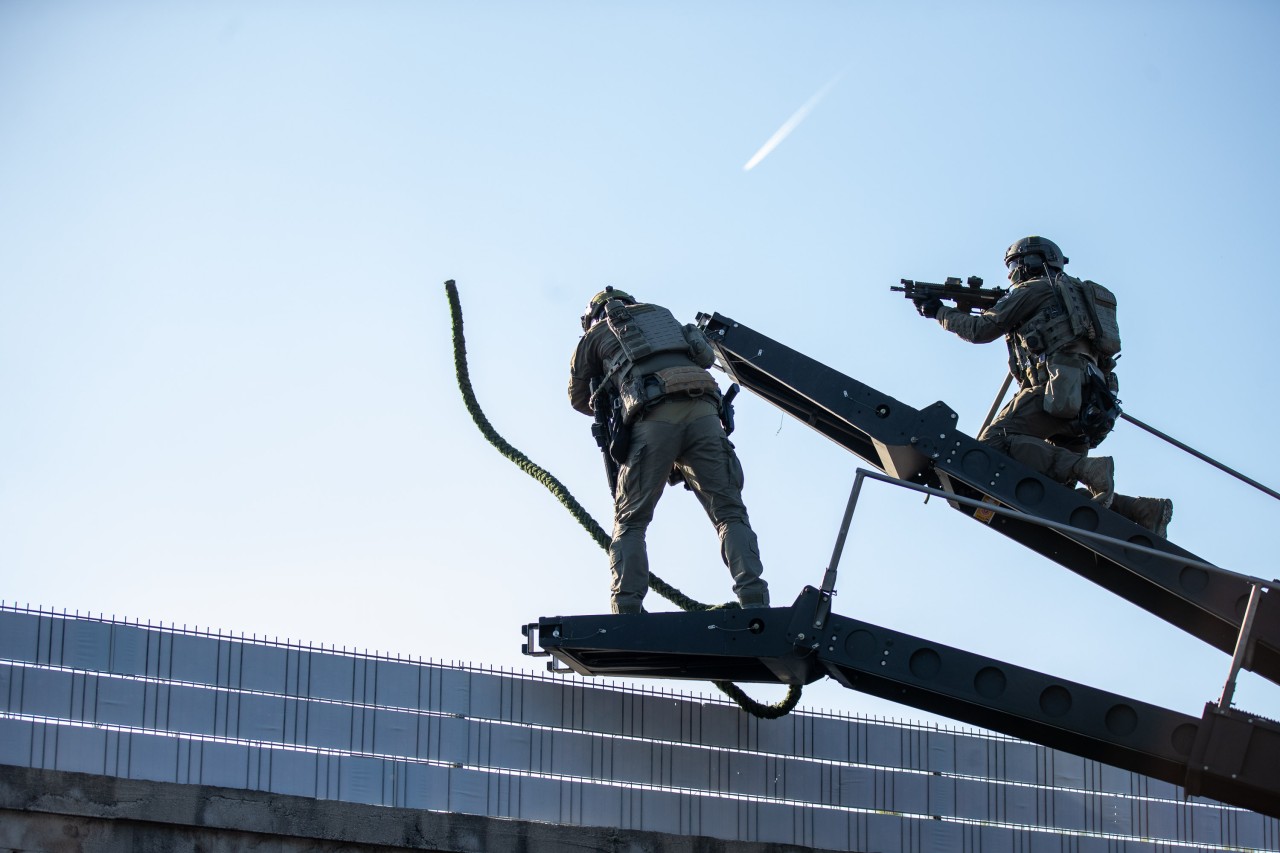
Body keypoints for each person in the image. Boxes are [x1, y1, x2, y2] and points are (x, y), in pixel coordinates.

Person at [916, 236, 1173, 537]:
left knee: (991, 448)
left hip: (1057, 392)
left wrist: (939, 312)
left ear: (1029, 262)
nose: (1012, 273)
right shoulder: (1079, 300)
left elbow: (979, 329)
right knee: (1053, 494)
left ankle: (1086, 470)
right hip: (1091, 405)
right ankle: (1142, 511)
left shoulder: (1035, 289)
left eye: (1013, 265)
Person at [569, 287, 769, 614]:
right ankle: (754, 599)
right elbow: (704, 357)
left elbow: (578, 398)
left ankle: (626, 608)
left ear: (593, 315)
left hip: (653, 420)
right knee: (729, 513)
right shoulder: (663, 315)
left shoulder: (595, 334)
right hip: (705, 415)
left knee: (630, 521)